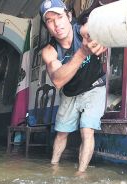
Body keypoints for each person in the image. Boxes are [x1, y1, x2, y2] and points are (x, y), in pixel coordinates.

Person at [39, 0, 107, 175]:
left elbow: (96, 17)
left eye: (60, 17)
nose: (56, 24)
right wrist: (82, 52)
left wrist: (103, 36)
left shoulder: (82, 30)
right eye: (50, 21)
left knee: (87, 129)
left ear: (69, 16)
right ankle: (53, 167)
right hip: (69, 93)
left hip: (94, 86)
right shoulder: (49, 51)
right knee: (61, 132)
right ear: (46, 26)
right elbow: (58, 81)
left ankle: (80, 175)